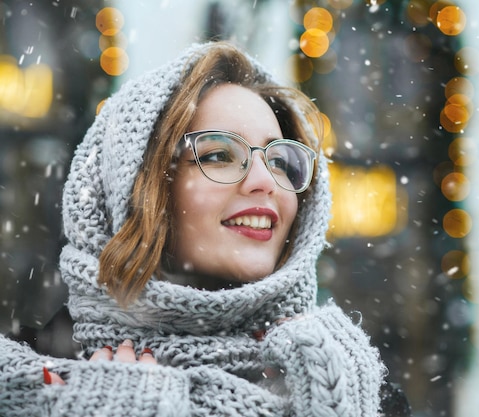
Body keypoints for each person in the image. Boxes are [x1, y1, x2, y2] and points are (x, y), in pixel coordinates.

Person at [0, 41, 390, 416]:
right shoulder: (24, 384)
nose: (266, 181)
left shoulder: (355, 387)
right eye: (219, 155)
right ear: (139, 189)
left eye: (279, 161)